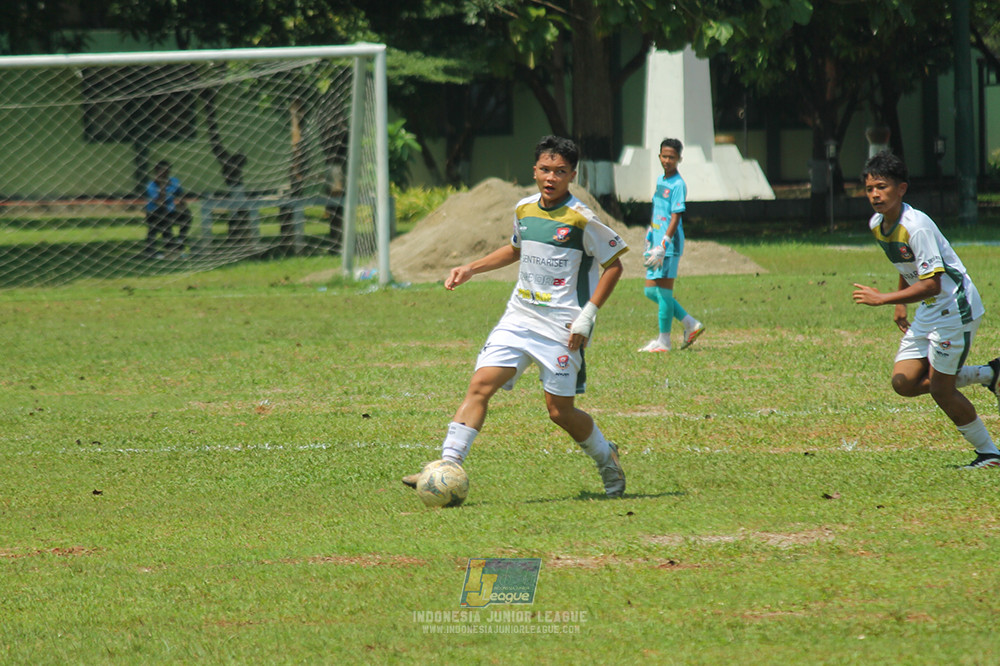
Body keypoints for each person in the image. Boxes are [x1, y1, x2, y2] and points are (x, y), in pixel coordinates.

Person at [402, 135, 629, 497]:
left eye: (560, 171)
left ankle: (607, 458)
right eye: (544, 169)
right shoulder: (524, 209)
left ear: (572, 175)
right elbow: (515, 248)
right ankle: (447, 466)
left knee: (560, 413)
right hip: (519, 318)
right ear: (534, 170)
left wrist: (588, 315)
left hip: (562, 327)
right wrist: (471, 268)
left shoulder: (582, 219)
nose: (550, 177)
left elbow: (614, 267)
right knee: (479, 386)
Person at [852, 151, 1000, 469]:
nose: (875, 194)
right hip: (930, 311)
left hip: (954, 308)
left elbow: (933, 284)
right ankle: (990, 374)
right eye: (869, 189)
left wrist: (884, 299)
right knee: (904, 383)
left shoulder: (915, 226)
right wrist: (902, 303)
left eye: (882, 187)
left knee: (940, 391)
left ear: (902, 189)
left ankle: (990, 454)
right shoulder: (878, 225)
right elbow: (907, 265)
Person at [638, 138, 704, 352]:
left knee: (664, 293)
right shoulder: (660, 180)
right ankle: (689, 323)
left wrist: (664, 243)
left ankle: (664, 341)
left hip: (668, 245)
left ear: (679, 159)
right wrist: (650, 233)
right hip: (656, 241)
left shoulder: (678, 184)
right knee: (650, 291)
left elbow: (675, 217)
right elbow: (659, 211)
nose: (667, 160)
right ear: (659, 156)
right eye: (664, 156)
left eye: (672, 157)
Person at [144, 160, 191, 258]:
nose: (165, 173)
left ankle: (180, 239)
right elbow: (159, 202)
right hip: (154, 213)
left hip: (170, 212)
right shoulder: (151, 185)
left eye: (167, 170)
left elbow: (180, 195)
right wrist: (162, 186)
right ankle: (160, 251)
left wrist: (182, 205)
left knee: (186, 214)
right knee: (162, 219)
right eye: (162, 171)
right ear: (156, 171)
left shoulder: (174, 181)